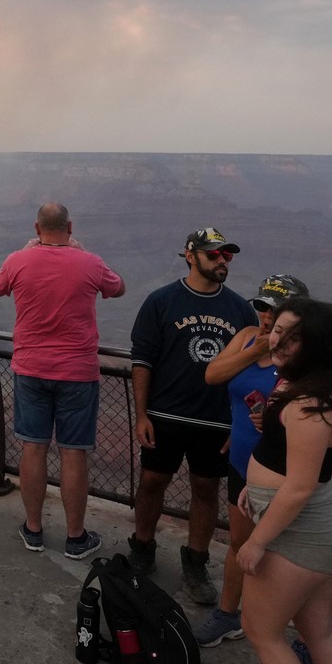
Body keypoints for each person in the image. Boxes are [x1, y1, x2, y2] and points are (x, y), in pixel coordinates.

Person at [238, 298, 332, 664]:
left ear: (317, 345)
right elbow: (292, 464)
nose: (278, 341)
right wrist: (259, 484)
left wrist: (257, 543)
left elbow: (299, 488)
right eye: (277, 330)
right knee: (319, 631)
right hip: (315, 526)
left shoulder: (308, 404)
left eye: (292, 336)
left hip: (299, 532)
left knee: (263, 634)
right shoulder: (313, 388)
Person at [0, 203, 125, 560]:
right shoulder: (90, 262)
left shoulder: (19, 259)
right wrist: (78, 254)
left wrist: (27, 253)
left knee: (33, 448)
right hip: (77, 373)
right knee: (73, 452)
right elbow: (119, 288)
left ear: (37, 227)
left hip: (31, 369)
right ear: (70, 226)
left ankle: (33, 529)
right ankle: (76, 538)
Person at [128, 227, 258, 604]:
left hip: (216, 421)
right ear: (190, 255)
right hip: (164, 414)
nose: (222, 261)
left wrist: (242, 422)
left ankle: (196, 563)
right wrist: (141, 415)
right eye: (214, 254)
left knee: (206, 488)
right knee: (152, 481)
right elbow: (142, 360)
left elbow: (250, 370)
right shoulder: (161, 301)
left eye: (227, 256)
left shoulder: (239, 309)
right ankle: (142, 548)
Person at [193, 273, 313, 659]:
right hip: (243, 462)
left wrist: (277, 422)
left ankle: (309, 638)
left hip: (284, 471)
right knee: (239, 544)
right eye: (262, 306)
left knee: (290, 558)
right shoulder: (246, 336)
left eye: (276, 310)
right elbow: (213, 375)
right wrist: (258, 346)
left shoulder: (306, 355)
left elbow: (318, 414)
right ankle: (229, 615)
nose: (266, 315)